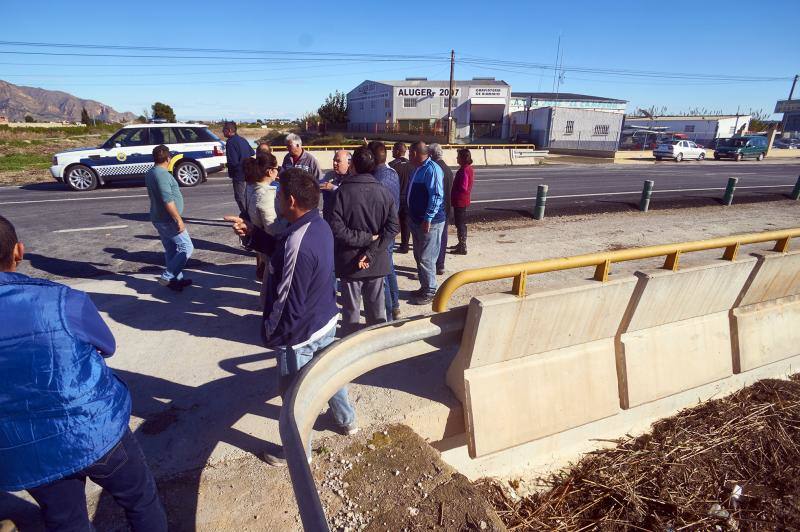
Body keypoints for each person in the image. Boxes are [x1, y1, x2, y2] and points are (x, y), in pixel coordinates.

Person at [0, 215, 168, 531]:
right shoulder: (61, 299)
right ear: (18, 252)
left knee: (65, 520)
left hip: (25, 451)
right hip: (94, 429)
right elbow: (106, 345)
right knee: (140, 500)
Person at [224, 169, 357, 465]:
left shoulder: (298, 238)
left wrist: (272, 333)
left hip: (299, 336)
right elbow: (284, 249)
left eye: (279, 194)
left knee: (295, 401)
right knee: (331, 375)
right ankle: (347, 421)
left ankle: (299, 454)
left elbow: (286, 301)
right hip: (323, 321)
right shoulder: (315, 224)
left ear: (291, 200)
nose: (276, 199)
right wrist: (253, 235)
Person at [328, 147, 399, 335]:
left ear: (352, 166)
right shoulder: (384, 192)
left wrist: (364, 244)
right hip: (375, 261)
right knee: (377, 314)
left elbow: (336, 229)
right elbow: (392, 229)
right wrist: (371, 248)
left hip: (350, 262)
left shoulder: (341, 193)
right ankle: (375, 350)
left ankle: (351, 353)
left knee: (351, 315)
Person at [145, 144, 194, 292]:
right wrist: (178, 219)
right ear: (168, 158)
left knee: (171, 250)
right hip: (167, 219)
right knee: (187, 247)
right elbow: (168, 200)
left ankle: (176, 281)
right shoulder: (162, 175)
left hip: (158, 217)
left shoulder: (150, 172)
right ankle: (167, 276)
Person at [406, 141, 445, 306]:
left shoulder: (432, 169)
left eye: (410, 153)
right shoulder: (419, 168)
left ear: (415, 153)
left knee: (426, 257)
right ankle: (424, 286)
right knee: (418, 255)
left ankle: (430, 290)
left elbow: (436, 195)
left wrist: (428, 217)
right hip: (417, 220)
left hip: (430, 222)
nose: (408, 156)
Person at [368, 141, 401, 321]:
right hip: (391, 229)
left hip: (380, 232)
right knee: (389, 269)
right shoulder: (392, 174)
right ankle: (395, 306)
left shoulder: (375, 181)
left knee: (382, 275)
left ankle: (388, 315)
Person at [244, 153, 283, 305]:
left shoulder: (251, 186)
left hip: (259, 240)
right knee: (272, 282)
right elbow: (273, 227)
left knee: (268, 277)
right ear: (269, 171)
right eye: (276, 168)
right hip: (270, 243)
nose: (278, 171)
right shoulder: (266, 194)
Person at [429, 143, 454, 275]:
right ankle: (440, 264)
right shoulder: (448, 169)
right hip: (447, 207)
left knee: (433, 239)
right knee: (443, 237)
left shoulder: (434, 169)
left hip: (438, 210)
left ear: (432, 155)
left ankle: (433, 266)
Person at [222, 121, 255, 215]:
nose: (222, 132)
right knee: (248, 196)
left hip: (239, 174)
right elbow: (252, 152)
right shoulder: (243, 139)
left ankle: (247, 216)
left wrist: (228, 166)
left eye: (223, 130)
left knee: (240, 197)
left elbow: (233, 161)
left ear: (229, 130)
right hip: (249, 173)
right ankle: (251, 215)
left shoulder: (230, 142)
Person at [389, 142, 414, 254]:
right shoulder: (412, 165)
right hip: (409, 198)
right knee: (406, 223)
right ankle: (405, 245)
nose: (392, 151)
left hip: (396, 198)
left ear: (398, 151)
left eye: (394, 149)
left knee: (392, 222)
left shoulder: (392, 165)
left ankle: (390, 243)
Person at [451, 149, 475, 255]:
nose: (456, 158)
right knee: (460, 223)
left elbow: (464, 187)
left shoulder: (464, 170)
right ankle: (461, 243)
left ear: (463, 158)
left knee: (460, 223)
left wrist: (455, 189)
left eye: (458, 156)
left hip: (460, 200)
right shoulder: (468, 168)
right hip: (463, 200)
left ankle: (462, 245)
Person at [320, 149, 351, 221]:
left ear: (349, 163)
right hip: (328, 219)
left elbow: (350, 196)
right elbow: (319, 185)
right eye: (334, 160)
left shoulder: (353, 178)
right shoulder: (329, 175)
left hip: (344, 221)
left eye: (338, 161)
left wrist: (333, 188)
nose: (334, 163)